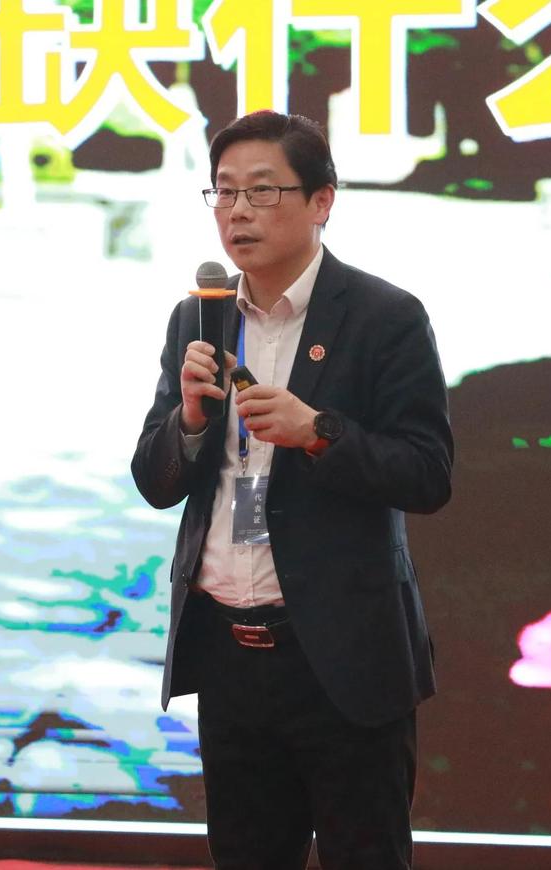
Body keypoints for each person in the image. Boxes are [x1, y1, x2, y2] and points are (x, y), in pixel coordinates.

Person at [131, 110, 454, 870]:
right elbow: (154, 481)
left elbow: (427, 473)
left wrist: (319, 432)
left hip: (342, 658)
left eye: (262, 191)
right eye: (223, 192)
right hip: (229, 658)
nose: (237, 211)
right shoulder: (197, 317)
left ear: (321, 201)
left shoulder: (385, 317)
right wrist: (188, 421)